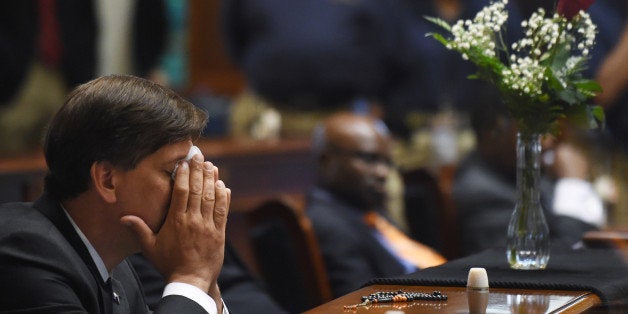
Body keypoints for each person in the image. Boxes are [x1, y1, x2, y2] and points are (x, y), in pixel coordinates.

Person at [0, 75, 230, 313]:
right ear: (107, 180)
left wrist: (207, 285)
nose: (188, 189)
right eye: (174, 172)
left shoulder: (116, 267)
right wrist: (192, 277)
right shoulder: (25, 254)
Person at [305, 112, 446, 298]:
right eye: (369, 159)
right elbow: (361, 303)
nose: (383, 173)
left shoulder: (367, 210)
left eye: (387, 162)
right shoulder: (326, 225)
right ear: (326, 161)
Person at [451, 101, 605, 256]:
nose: (548, 140)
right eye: (535, 128)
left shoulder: (526, 175)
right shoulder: (482, 193)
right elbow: (549, 259)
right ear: (494, 130)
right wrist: (572, 185)